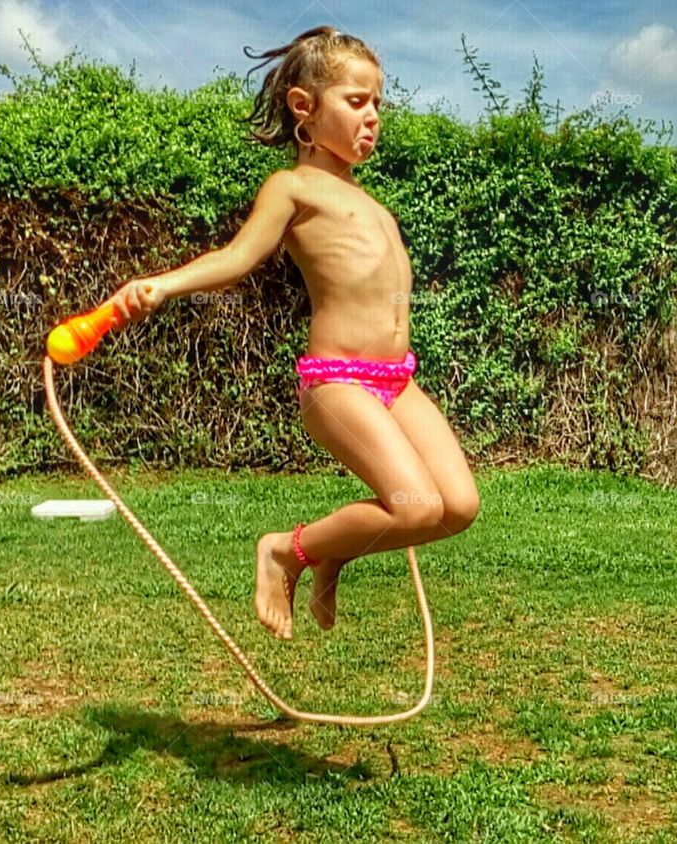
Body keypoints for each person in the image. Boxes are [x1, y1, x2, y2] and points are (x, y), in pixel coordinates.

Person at [108, 26, 480, 639]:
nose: (372, 118)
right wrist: (164, 284)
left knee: (457, 508)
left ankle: (332, 552)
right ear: (305, 107)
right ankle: (286, 550)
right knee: (417, 506)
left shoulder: (372, 203)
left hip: (397, 380)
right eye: (356, 102)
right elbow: (236, 257)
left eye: (378, 104)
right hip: (338, 382)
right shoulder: (293, 188)